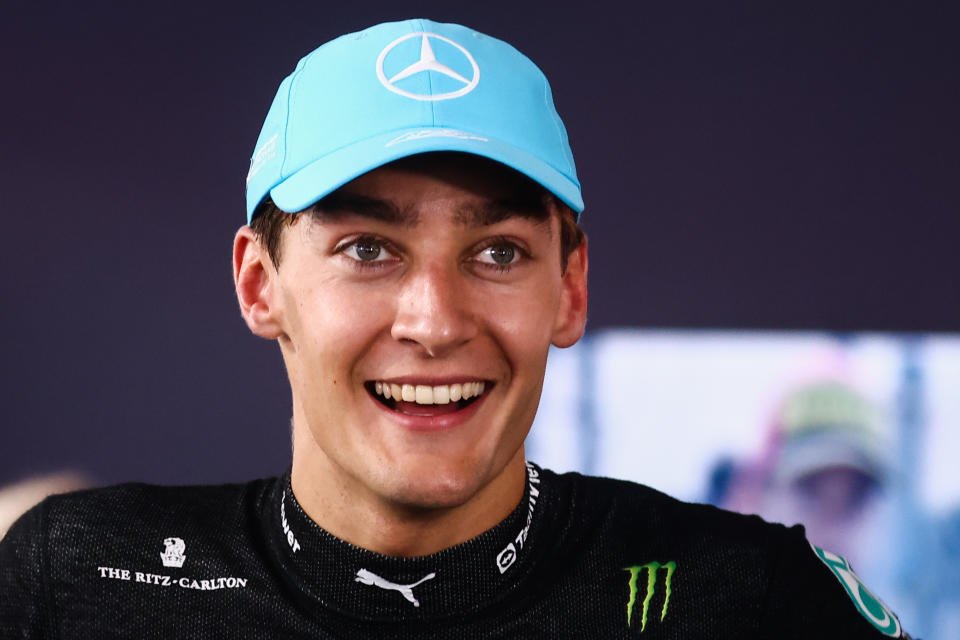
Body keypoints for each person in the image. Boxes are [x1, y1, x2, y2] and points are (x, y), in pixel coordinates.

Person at [0, 18, 914, 638]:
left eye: (499, 253)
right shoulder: (74, 581)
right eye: (367, 248)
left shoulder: (751, 600)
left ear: (570, 287)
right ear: (259, 284)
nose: (434, 322)